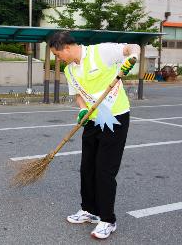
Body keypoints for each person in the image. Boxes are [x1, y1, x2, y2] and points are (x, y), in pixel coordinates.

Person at [49, 31, 140, 239]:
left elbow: (134, 47)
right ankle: (89, 210)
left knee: (104, 170)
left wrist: (131, 59)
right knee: (87, 168)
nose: (58, 58)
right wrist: (82, 109)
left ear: (67, 47)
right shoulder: (69, 70)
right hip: (92, 119)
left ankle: (108, 220)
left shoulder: (101, 51)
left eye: (57, 54)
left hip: (114, 117)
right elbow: (79, 95)